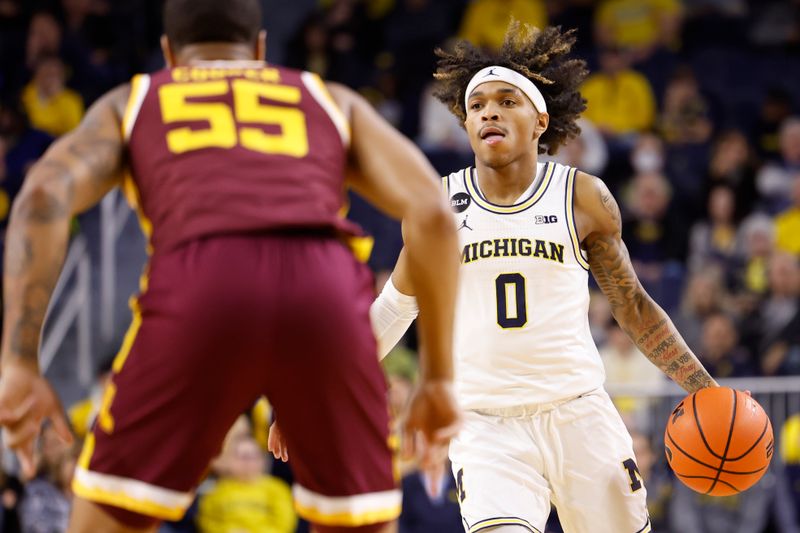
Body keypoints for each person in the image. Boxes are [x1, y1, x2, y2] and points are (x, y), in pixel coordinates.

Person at [0, 0, 462, 532]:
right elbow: (434, 212)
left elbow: (40, 198)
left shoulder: (136, 98)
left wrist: (19, 361)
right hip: (324, 289)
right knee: (360, 522)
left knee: (108, 519)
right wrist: (439, 377)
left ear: (169, 54)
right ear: (261, 50)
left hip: (202, 282)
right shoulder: (325, 96)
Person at [275, 23, 719, 533]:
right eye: (478, 104)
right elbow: (394, 309)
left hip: (579, 413)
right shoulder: (437, 207)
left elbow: (633, 306)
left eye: (507, 100)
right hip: (485, 426)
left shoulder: (582, 197)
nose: (489, 110)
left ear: (540, 120)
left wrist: (703, 388)